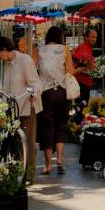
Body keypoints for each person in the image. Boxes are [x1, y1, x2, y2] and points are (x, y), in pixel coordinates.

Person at [0, 36, 42, 183]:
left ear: (5, 50)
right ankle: (15, 172)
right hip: (11, 109)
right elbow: (4, 88)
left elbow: (36, 83)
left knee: (27, 141)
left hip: (27, 107)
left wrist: (33, 93)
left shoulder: (24, 60)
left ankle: (29, 175)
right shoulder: (6, 64)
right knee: (14, 142)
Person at [36, 26, 74, 175]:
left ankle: (47, 165)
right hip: (63, 91)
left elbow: (33, 67)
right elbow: (70, 70)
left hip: (46, 92)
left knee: (47, 126)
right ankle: (59, 160)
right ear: (60, 37)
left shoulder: (40, 50)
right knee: (61, 125)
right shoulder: (65, 50)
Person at [72, 29, 98, 106]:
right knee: (81, 106)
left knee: (83, 106)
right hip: (81, 82)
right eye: (92, 37)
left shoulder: (88, 47)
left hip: (86, 82)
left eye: (95, 37)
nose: (94, 39)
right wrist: (90, 66)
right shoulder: (83, 48)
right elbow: (77, 62)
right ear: (86, 37)